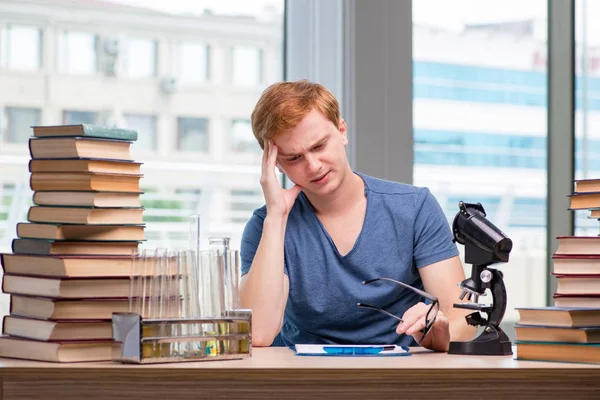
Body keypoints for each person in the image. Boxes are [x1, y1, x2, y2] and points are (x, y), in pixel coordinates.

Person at [240, 79, 476, 351]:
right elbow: (258, 333)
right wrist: (277, 217)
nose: (314, 166)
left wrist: (438, 330)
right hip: (305, 380)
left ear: (342, 131)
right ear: (276, 165)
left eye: (319, 146)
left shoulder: (415, 208)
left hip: (399, 377)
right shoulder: (266, 226)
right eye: (294, 158)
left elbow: (462, 317)